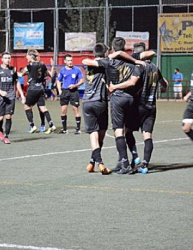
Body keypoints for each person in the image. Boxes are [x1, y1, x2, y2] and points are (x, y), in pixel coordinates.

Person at [82, 37, 153, 174]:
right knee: (125, 130)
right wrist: (136, 60)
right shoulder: (128, 60)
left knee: (112, 132)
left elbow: (86, 60)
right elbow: (151, 54)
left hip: (103, 99)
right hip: (129, 100)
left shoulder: (106, 62)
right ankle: (134, 156)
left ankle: (120, 162)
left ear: (112, 49)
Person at [109, 50, 168, 174]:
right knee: (147, 135)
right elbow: (165, 84)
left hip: (139, 106)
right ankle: (145, 165)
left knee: (126, 131)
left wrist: (114, 87)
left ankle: (135, 156)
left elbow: (132, 82)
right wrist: (162, 88)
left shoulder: (140, 67)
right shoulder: (156, 68)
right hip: (151, 107)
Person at [83, 43, 112, 175]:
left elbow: (84, 60)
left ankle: (92, 162)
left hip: (87, 102)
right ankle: (100, 163)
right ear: (105, 53)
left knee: (94, 135)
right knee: (100, 135)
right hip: (99, 102)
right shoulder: (106, 63)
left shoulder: (88, 63)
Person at [0, 52, 25, 144]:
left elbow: (16, 83)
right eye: (5, 58)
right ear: (2, 59)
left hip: (10, 95)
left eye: (9, 58)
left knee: (8, 116)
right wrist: (0, 91)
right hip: (0, 96)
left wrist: (21, 95)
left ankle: (6, 136)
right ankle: (0, 129)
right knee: (0, 118)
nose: (8, 59)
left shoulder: (13, 70)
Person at [20, 49, 56, 134]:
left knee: (27, 107)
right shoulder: (42, 65)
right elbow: (51, 75)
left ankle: (32, 126)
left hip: (32, 89)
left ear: (31, 57)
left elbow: (21, 74)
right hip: (41, 88)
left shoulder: (29, 66)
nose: (26, 57)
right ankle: (51, 125)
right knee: (43, 108)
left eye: (27, 55)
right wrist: (53, 66)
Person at [56, 54, 84, 134]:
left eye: (71, 60)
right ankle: (64, 129)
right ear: (65, 61)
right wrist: (59, 90)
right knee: (63, 110)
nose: (70, 62)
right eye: (68, 60)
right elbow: (58, 80)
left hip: (74, 91)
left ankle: (78, 129)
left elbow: (81, 80)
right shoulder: (62, 70)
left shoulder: (77, 69)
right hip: (65, 91)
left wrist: (75, 85)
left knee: (75, 109)